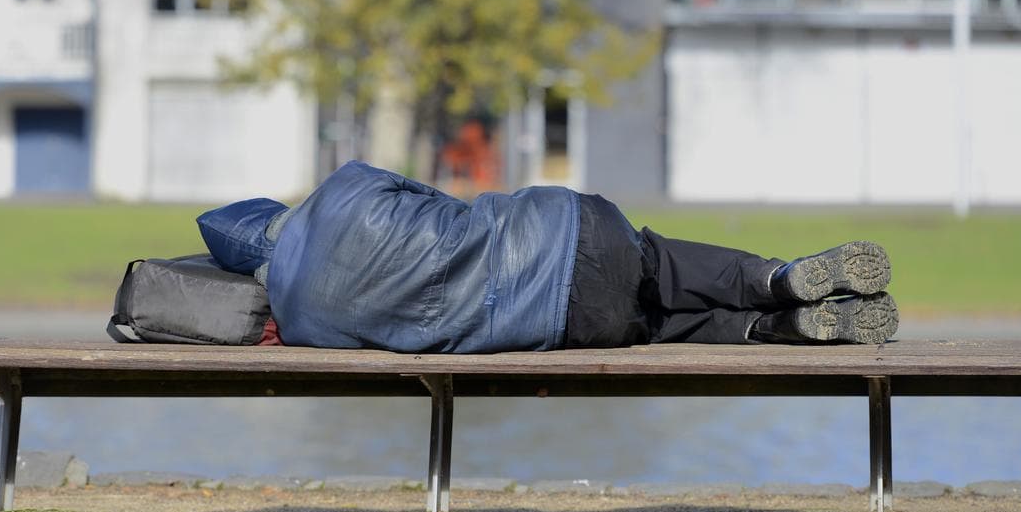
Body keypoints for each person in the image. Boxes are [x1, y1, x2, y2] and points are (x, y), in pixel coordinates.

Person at [197, 160, 898, 354]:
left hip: (559, 323)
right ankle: (776, 281)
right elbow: (430, 200)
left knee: (645, 326)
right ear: (273, 215)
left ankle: (771, 331)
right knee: (656, 262)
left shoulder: (302, 318)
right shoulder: (345, 186)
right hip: (569, 228)